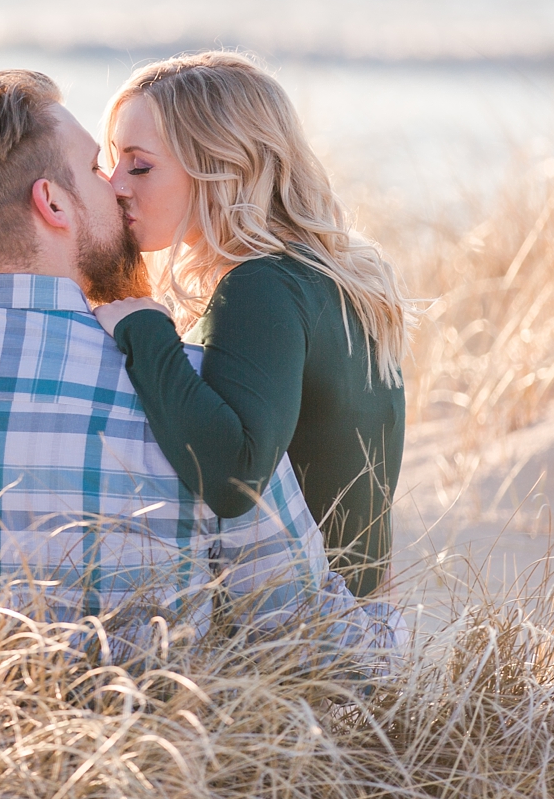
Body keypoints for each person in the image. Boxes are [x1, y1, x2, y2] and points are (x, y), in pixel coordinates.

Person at [0, 69, 404, 659]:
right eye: (97, 166)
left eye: (133, 165)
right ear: (52, 203)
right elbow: (310, 641)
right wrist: (392, 634)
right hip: (150, 758)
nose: (114, 184)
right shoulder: (181, 391)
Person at [93, 52, 409, 598]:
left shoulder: (259, 287)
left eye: (139, 166)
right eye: (112, 163)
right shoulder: (334, 277)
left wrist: (146, 331)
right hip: (353, 630)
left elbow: (234, 477)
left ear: (224, 167)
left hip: (296, 646)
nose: (116, 185)